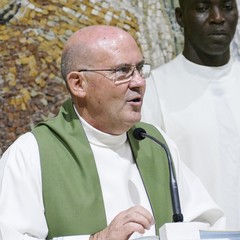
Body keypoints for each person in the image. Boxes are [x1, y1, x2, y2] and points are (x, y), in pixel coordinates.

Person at [0, 25, 225, 240]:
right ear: (79, 84)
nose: (138, 82)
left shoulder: (156, 144)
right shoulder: (31, 154)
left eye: (139, 68)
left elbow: (206, 224)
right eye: (123, 71)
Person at [142, 0, 240, 230]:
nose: (218, 18)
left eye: (227, 7)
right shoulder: (154, 90)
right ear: (179, 17)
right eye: (203, 8)